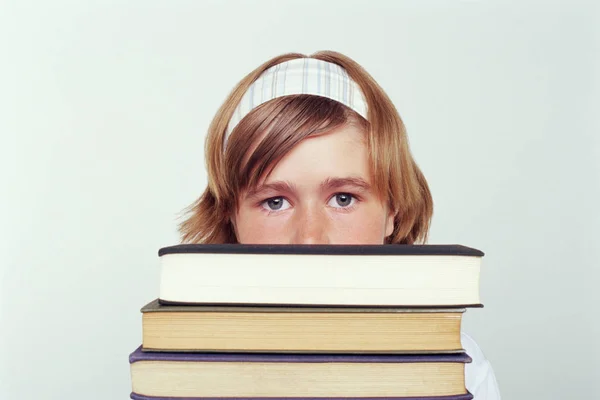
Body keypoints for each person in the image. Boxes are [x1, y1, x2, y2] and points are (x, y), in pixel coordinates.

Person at [178, 51, 501, 399]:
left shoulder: (455, 368)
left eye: (343, 198)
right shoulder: (176, 365)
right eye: (275, 202)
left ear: (393, 209)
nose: (310, 239)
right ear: (231, 216)